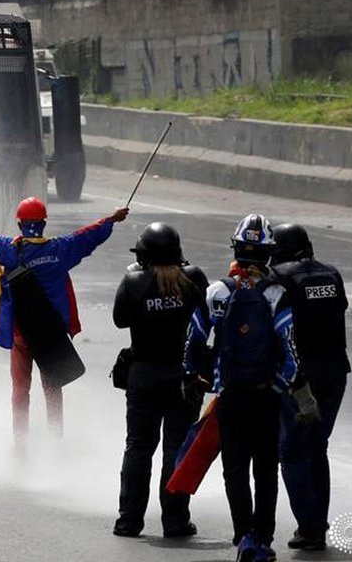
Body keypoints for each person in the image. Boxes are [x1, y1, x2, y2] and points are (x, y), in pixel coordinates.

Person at [0, 196, 129, 443]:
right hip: (52, 335)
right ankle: (54, 440)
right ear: (43, 223)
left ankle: (20, 442)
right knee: (52, 388)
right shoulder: (61, 249)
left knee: (20, 389)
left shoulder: (7, 249)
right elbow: (89, 235)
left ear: (20, 223)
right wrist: (111, 219)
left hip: (21, 334)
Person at [183, 214, 318, 562]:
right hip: (266, 397)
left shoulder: (217, 292)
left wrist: (205, 381)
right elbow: (290, 353)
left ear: (237, 251)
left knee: (235, 470)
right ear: (268, 254)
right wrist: (282, 387)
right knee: (266, 471)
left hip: (229, 396)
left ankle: (243, 536)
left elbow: (193, 345)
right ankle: (264, 540)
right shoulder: (277, 295)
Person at [112, 223, 208, 539]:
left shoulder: (134, 282)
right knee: (176, 450)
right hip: (185, 376)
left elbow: (120, 319)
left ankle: (129, 521)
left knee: (138, 448)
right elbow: (208, 318)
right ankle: (176, 521)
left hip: (144, 376)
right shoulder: (193, 280)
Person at [269, 224, 349, 551]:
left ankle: (309, 527)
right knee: (318, 447)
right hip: (334, 371)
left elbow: (274, 325)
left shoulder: (279, 276)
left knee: (291, 450)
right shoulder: (332, 274)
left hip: (299, 377)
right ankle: (317, 522)